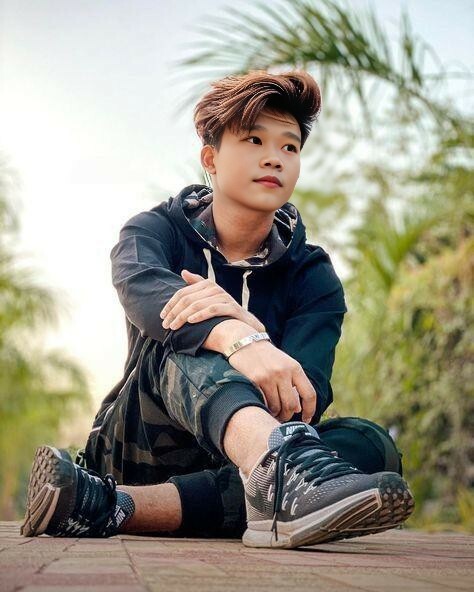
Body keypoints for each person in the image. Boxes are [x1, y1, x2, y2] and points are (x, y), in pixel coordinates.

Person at [21, 70, 414, 548]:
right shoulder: (154, 231)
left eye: (290, 147)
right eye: (254, 140)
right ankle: (270, 480)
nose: (274, 157)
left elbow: (304, 399)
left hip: (239, 457)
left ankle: (108, 505)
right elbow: (147, 294)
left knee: (371, 448)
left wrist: (254, 334)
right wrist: (234, 336)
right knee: (185, 332)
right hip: (139, 443)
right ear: (210, 158)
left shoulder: (313, 275)